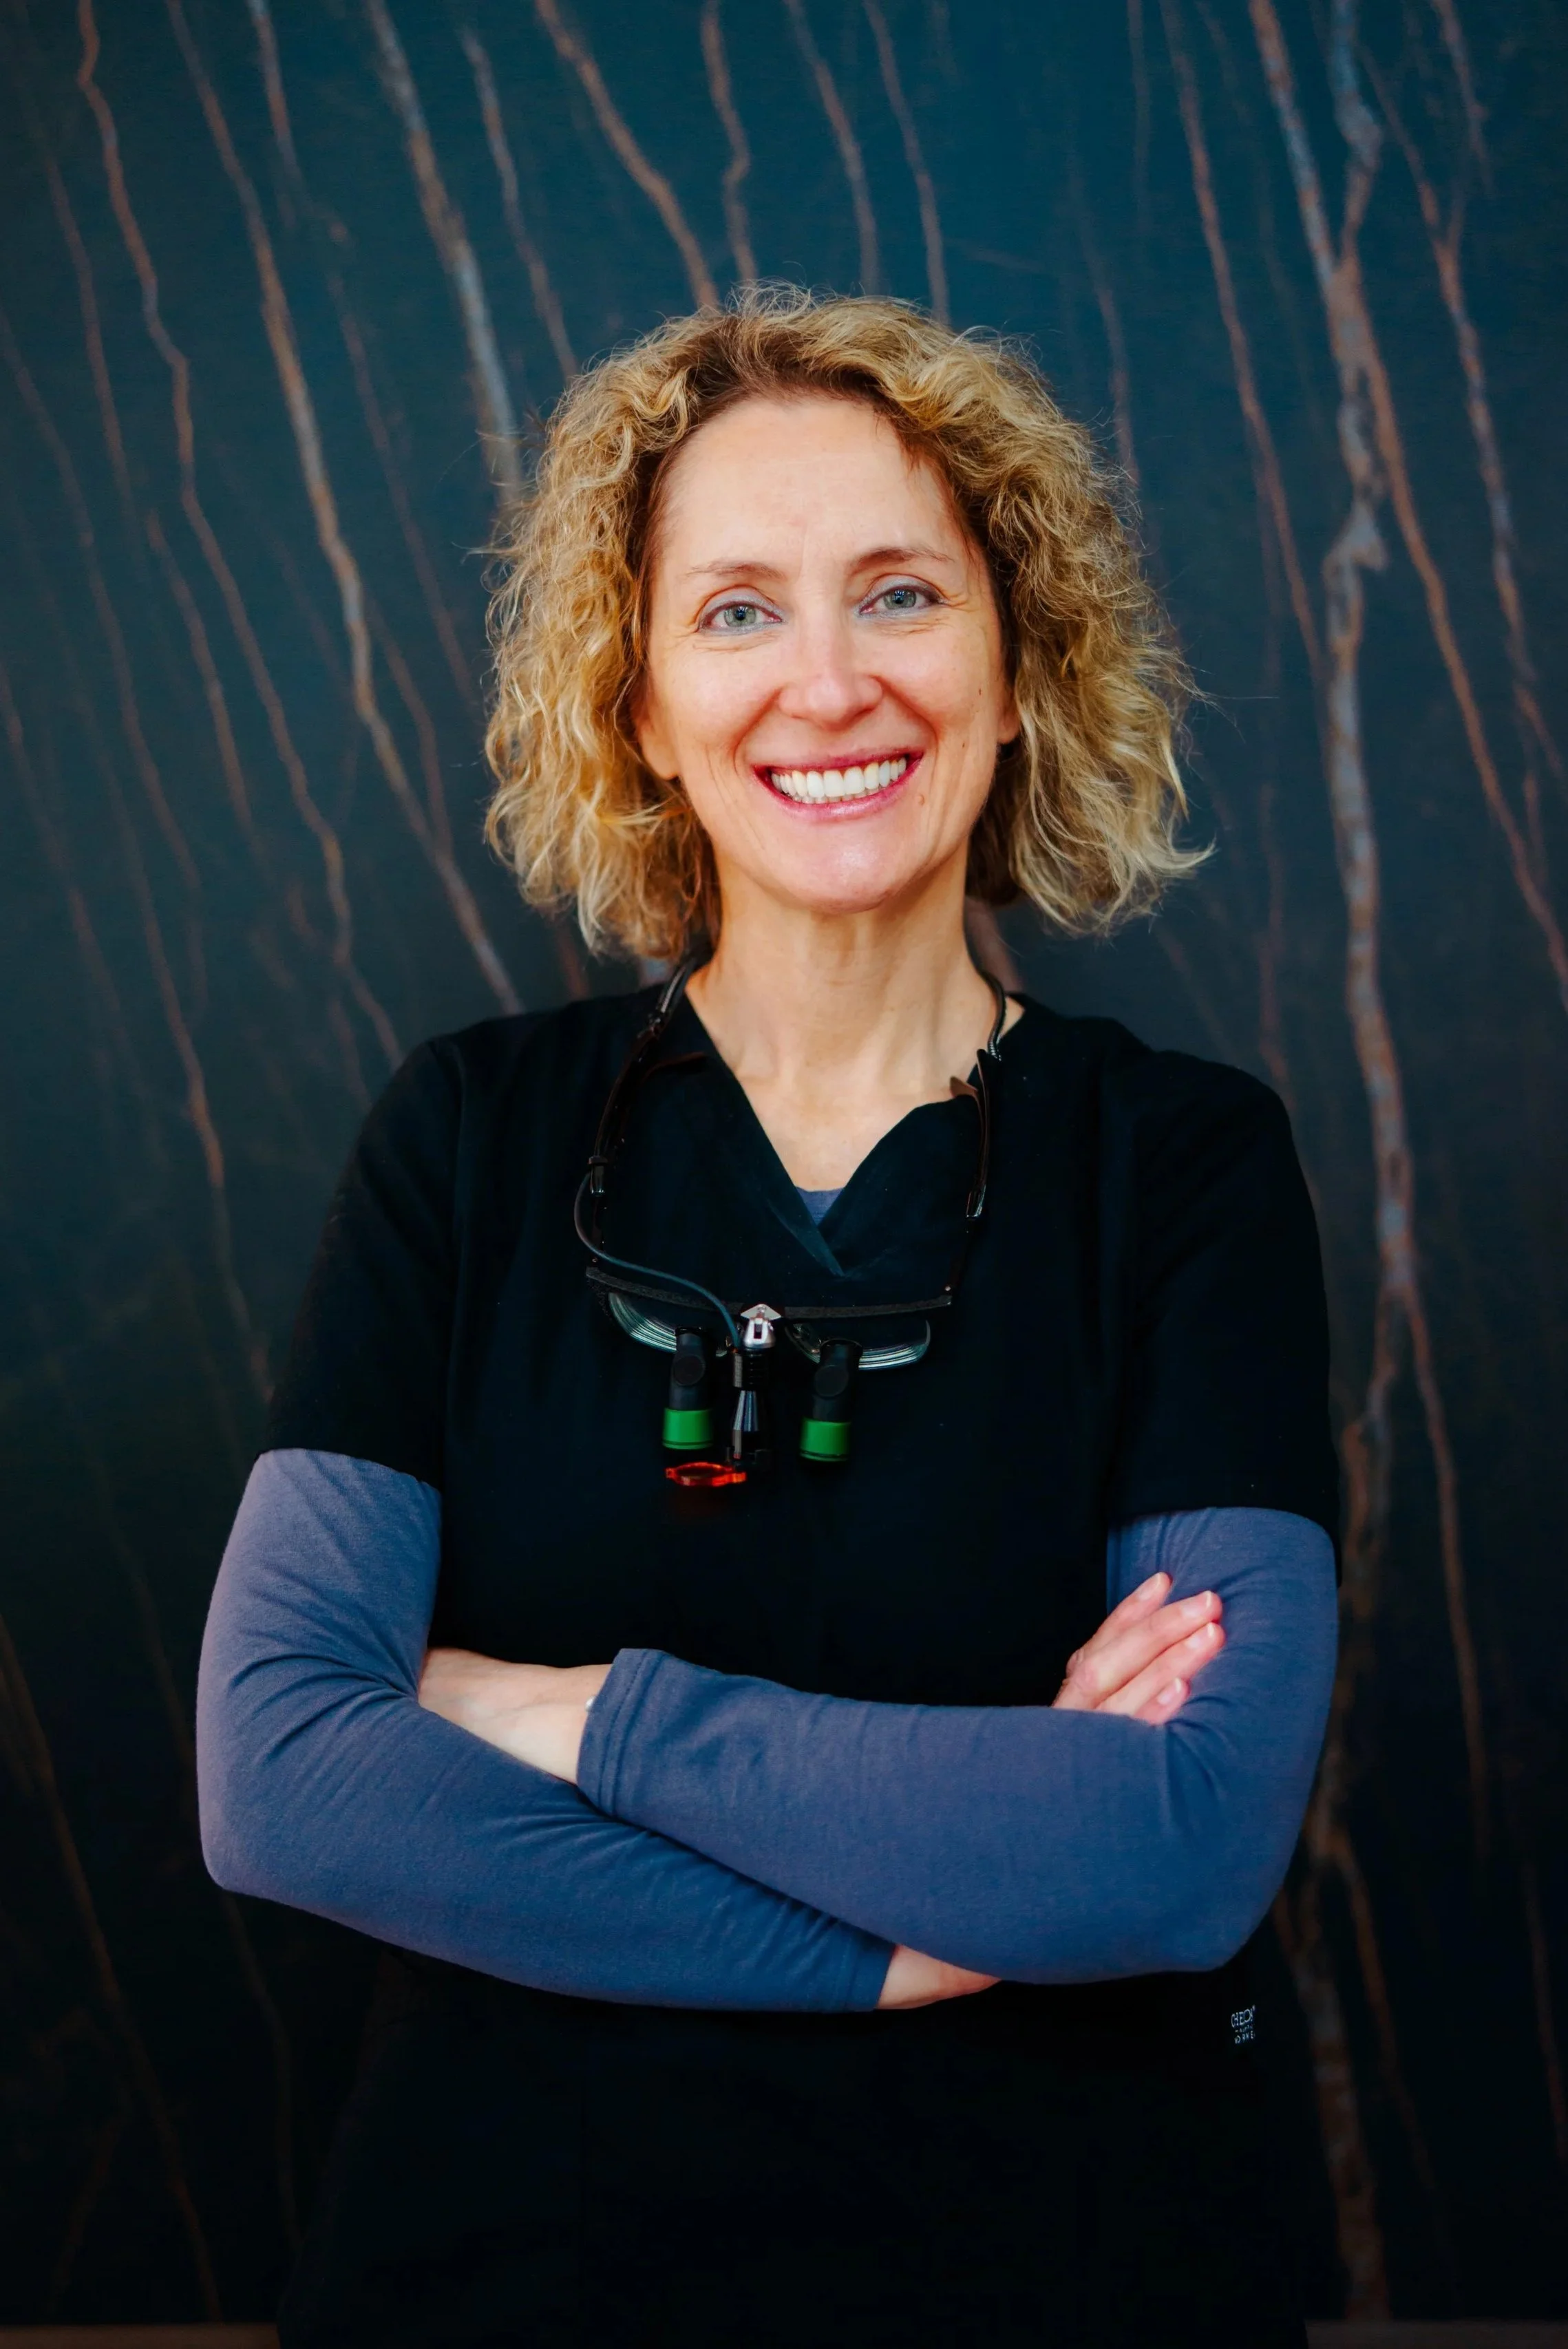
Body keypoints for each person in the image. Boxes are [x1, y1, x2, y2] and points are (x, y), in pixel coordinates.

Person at [198, 289, 1339, 2348]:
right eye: (734, 611)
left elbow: (1168, 1849)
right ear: (635, 701)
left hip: (1071, 2278)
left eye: (899, 592)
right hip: (505, 2282)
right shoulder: (467, 1137)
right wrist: (900, 1928)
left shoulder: (1182, 1168)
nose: (827, 682)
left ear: (1014, 670)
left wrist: (553, 1712)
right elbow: (282, 1773)